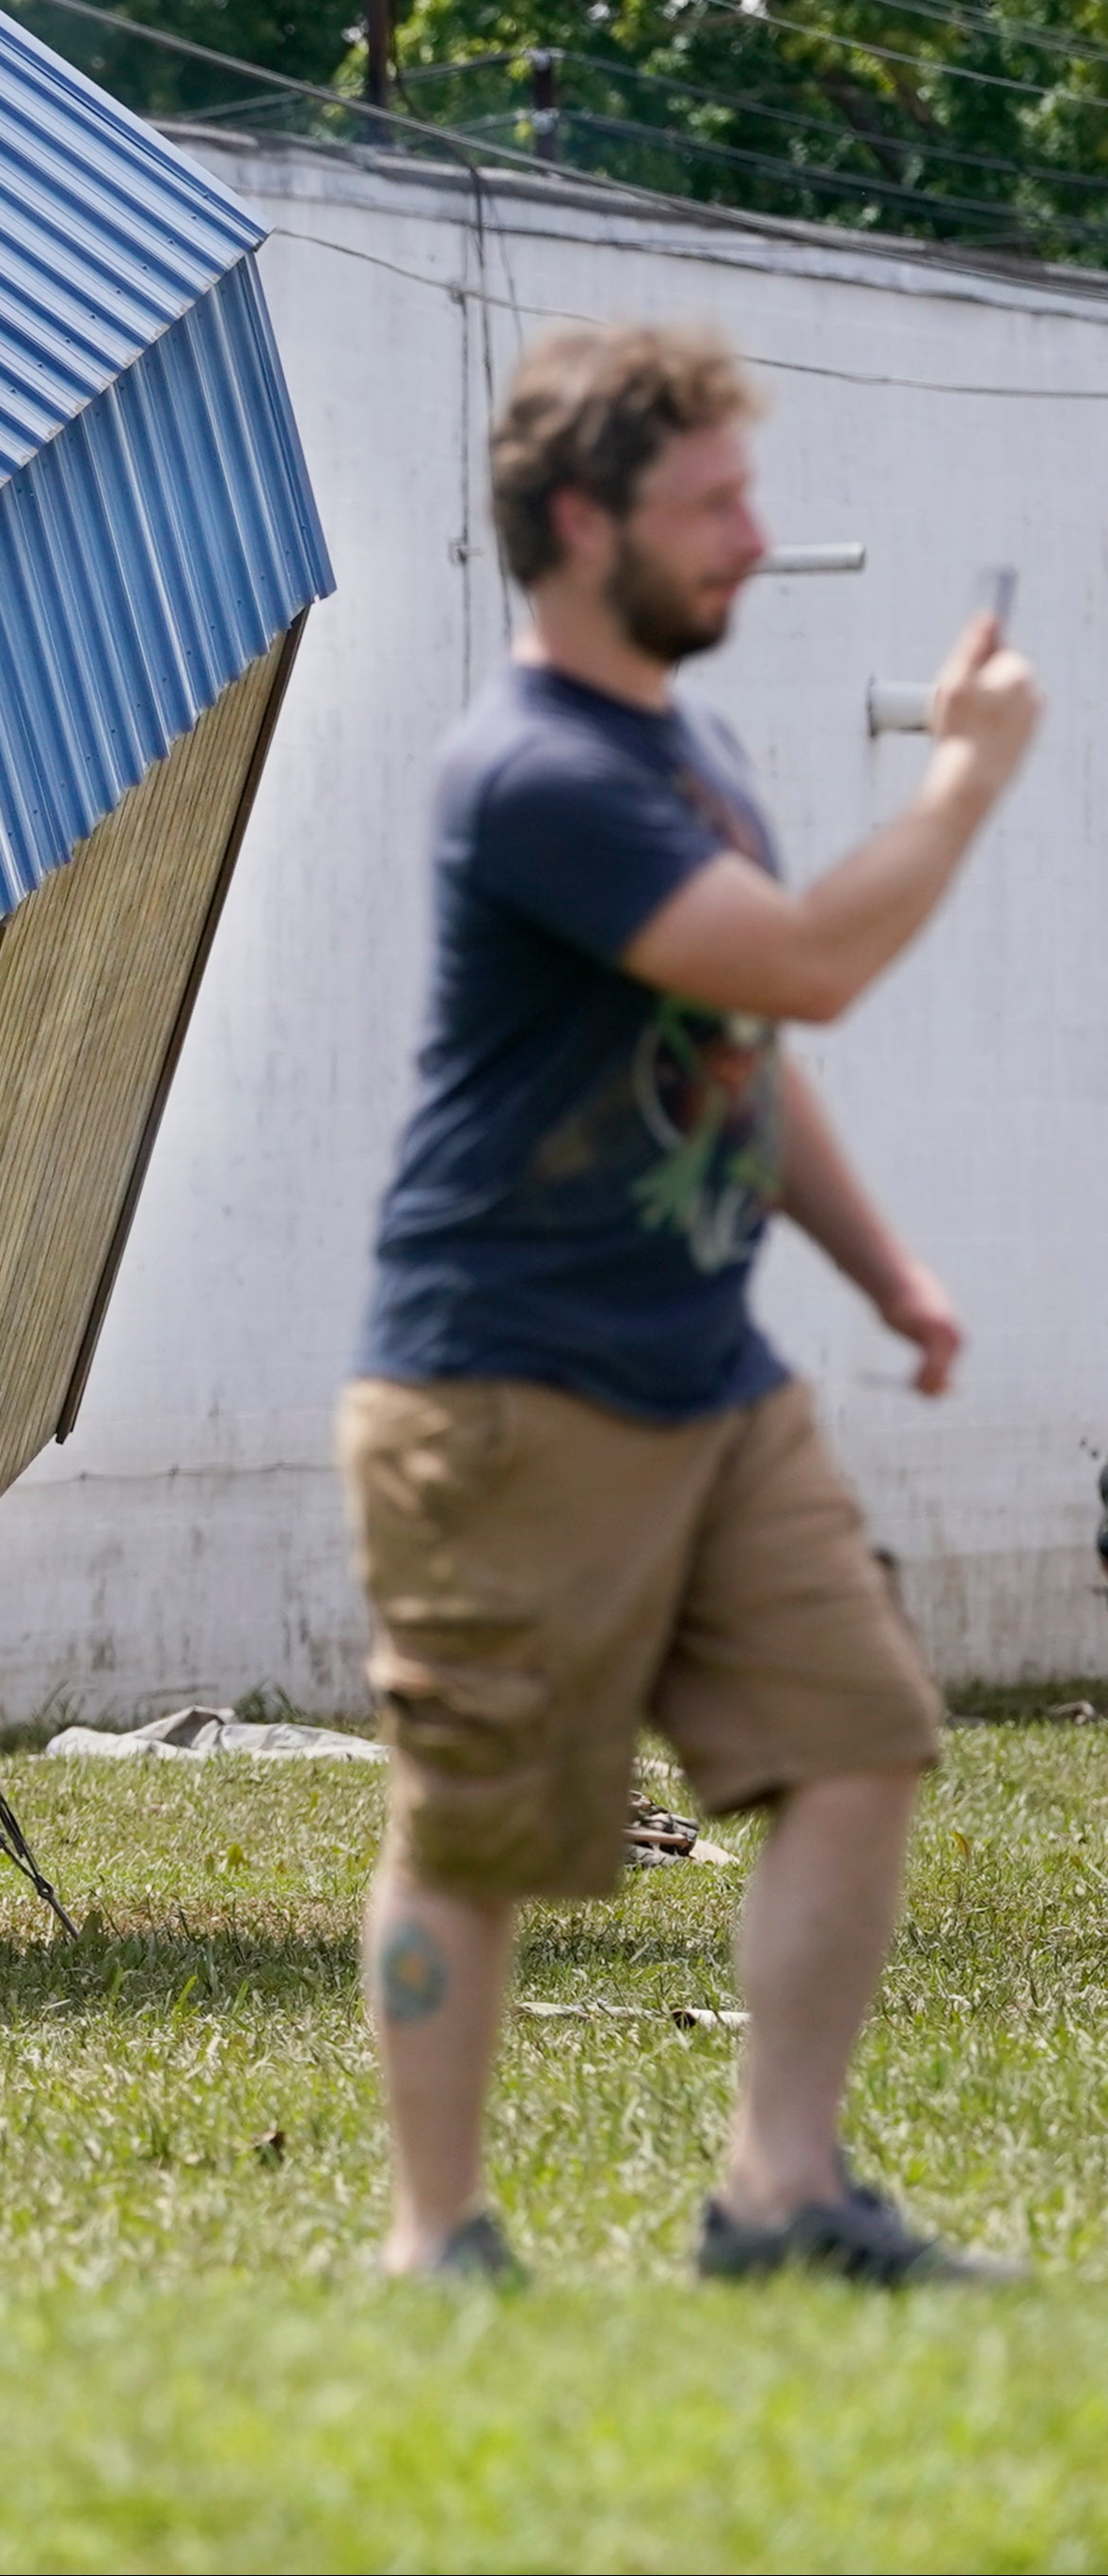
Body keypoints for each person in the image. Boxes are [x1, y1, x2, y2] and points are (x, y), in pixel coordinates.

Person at [345, 321, 1038, 2288]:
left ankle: (777, 2190)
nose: (750, 535)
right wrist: (965, 782)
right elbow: (807, 962)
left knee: (857, 1735)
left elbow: (738, 1025)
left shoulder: (682, 745)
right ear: (581, 523)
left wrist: (879, 1263)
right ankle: (434, 2239)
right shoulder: (534, 773)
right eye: (709, 502)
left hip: (705, 1372)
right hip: (500, 1378)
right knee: (478, 1822)